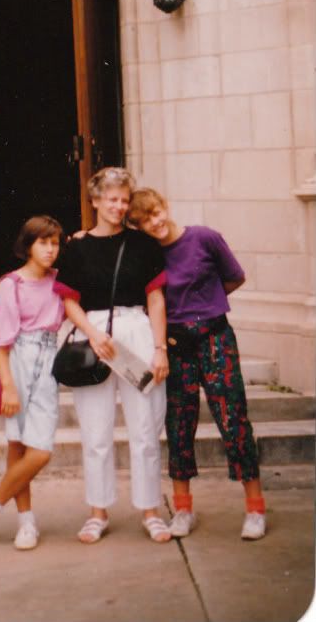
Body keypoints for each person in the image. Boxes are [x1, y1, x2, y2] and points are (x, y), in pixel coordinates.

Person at [127, 187, 266, 540]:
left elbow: (235, 276)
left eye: (156, 213)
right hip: (175, 346)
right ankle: (183, 509)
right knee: (179, 423)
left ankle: (254, 509)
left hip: (215, 338)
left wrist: (208, 304)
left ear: (166, 207)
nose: (154, 223)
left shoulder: (204, 238)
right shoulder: (147, 255)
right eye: (144, 221)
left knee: (233, 418)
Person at [54, 166, 172, 544]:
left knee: (145, 428)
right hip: (95, 337)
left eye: (124, 200)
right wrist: (90, 334)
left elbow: (155, 298)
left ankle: (151, 510)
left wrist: (158, 348)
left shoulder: (143, 245)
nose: (118, 206)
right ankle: (97, 511)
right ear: (95, 201)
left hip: (135, 333)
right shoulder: (77, 247)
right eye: (111, 199)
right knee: (96, 431)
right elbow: (68, 300)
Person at [0, 215, 67, 551]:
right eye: (43, 243)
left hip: (49, 361)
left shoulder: (60, 281)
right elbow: (0, 343)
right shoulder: (11, 285)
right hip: (18, 360)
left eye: (55, 243)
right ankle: (26, 522)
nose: (50, 250)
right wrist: (7, 385)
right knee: (18, 446)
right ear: (28, 245)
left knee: (41, 451)